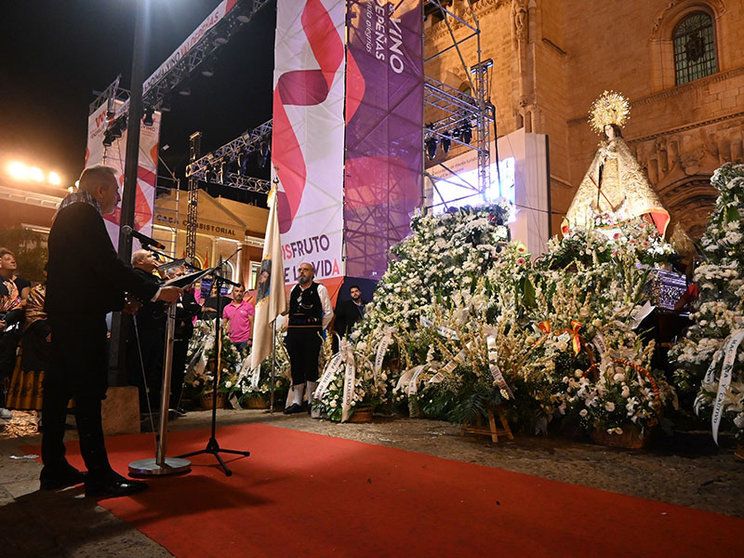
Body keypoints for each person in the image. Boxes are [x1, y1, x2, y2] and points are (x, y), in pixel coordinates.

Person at [41, 165, 181, 498]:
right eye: (116, 191)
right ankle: (99, 476)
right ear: (101, 190)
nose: (118, 199)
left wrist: (119, 301)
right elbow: (106, 265)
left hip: (66, 315)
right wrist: (156, 291)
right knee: (89, 393)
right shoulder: (84, 214)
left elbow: (85, 273)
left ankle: (55, 467)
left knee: (58, 393)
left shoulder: (67, 213)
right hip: (81, 320)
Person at [562, 92, 670, 237]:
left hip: (618, 180)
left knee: (620, 202)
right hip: (605, 180)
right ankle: (604, 218)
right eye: (605, 129)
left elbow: (625, 160)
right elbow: (596, 168)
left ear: (615, 129)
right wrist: (602, 158)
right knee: (601, 203)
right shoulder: (602, 147)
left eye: (609, 128)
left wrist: (610, 154)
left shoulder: (619, 144)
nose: (607, 131)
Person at [283, 262, 333, 415]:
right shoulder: (293, 290)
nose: (302, 272)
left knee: (311, 366)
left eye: (305, 270)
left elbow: (329, 313)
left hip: (311, 335)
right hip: (294, 335)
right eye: (299, 270)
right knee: (296, 366)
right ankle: (297, 402)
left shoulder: (320, 289)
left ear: (312, 273)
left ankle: (312, 401)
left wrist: (317, 329)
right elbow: (287, 311)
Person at [126, 250, 166, 415]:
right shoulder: (137, 276)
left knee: (153, 368)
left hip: (156, 328)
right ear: (140, 261)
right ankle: (139, 406)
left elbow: (165, 293)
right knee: (140, 367)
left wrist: (163, 276)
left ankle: (152, 404)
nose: (154, 258)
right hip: (141, 328)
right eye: (149, 256)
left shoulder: (154, 278)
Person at [6, 266, 50, 414]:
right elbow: (34, 315)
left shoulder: (68, 291)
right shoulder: (38, 291)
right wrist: (47, 331)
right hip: (39, 336)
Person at [0, 248, 30, 419]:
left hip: (12, 329)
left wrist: (6, 321)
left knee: (5, 366)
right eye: (7, 258)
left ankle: (4, 403)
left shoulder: (18, 283)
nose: (12, 261)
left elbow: (24, 303)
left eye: (13, 258)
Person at [168, 266, 201, 414]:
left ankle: (175, 403)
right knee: (166, 371)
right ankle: (162, 404)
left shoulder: (187, 295)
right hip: (168, 337)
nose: (183, 277)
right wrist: (184, 311)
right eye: (179, 275)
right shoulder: (167, 292)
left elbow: (196, 309)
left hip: (183, 336)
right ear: (171, 277)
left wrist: (183, 310)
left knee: (178, 371)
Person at [222, 284, 254, 354]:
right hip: (231, 341)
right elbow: (224, 325)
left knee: (244, 363)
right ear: (232, 292)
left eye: (241, 291)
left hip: (244, 340)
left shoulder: (248, 306)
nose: (239, 293)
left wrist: (250, 339)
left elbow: (252, 323)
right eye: (236, 291)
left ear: (243, 293)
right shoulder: (226, 308)